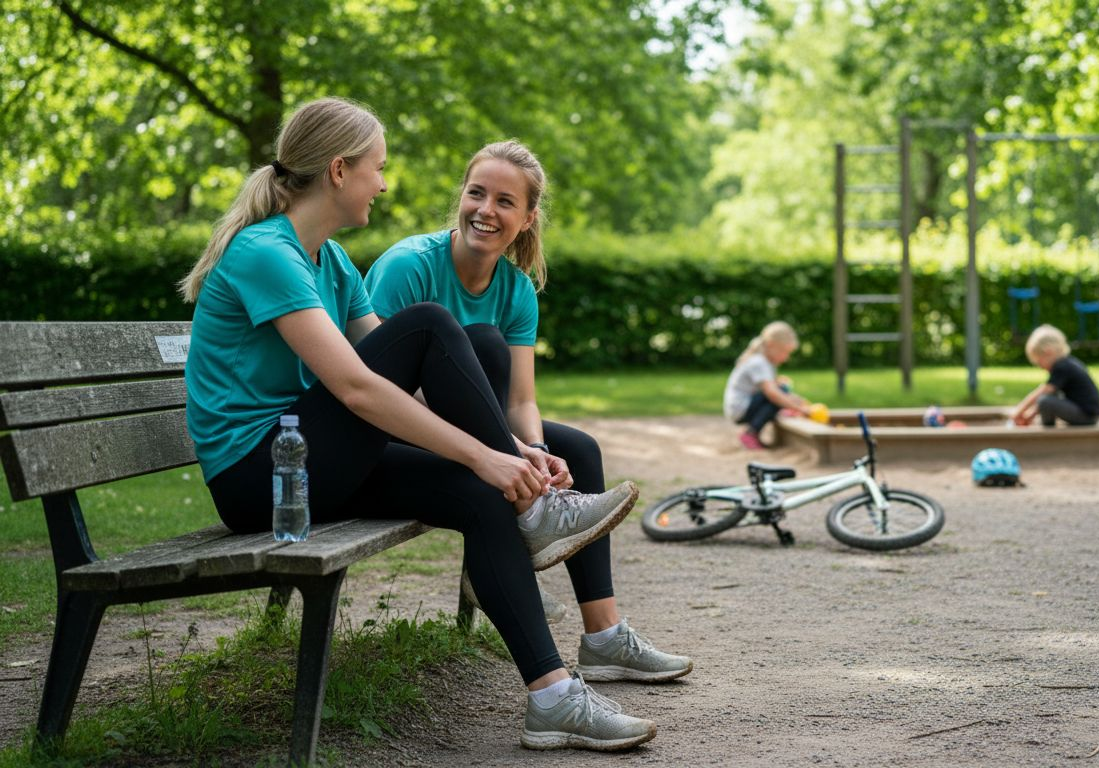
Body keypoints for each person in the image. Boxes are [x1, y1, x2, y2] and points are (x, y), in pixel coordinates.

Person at [180, 100, 656, 751]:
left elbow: (411, 385)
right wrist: (485, 452)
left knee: (481, 492)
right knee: (432, 323)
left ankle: (552, 699)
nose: (383, 183)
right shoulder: (266, 252)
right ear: (340, 170)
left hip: (309, 457)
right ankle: (540, 512)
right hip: (257, 475)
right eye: (377, 168)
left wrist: (511, 453)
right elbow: (357, 387)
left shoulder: (331, 261)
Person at [363, 140, 692, 687]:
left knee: (577, 449)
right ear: (461, 197)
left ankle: (604, 637)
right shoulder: (409, 267)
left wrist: (535, 451)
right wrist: (504, 450)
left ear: (528, 217)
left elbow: (519, 401)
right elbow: (379, 386)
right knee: (483, 343)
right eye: (476, 194)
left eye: (504, 201)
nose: (485, 210)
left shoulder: (516, 290)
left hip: (478, 433)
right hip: (401, 430)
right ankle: (520, 535)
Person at [723, 321, 812, 450]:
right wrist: (799, 409)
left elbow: (776, 388)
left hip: (742, 407)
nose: (787, 358)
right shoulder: (759, 362)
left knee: (782, 389)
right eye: (785, 352)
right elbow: (772, 393)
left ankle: (756, 430)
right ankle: (750, 433)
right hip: (740, 409)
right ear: (771, 345)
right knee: (777, 395)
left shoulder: (765, 362)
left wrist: (798, 400)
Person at [1010, 324, 1099, 427]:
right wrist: (1030, 416)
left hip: (1085, 415)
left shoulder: (1062, 366)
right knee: (1049, 397)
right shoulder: (1068, 362)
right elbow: (1051, 393)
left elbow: (1043, 391)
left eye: (1039, 362)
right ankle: (1047, 425)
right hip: (1089, 414)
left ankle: (1048, 429)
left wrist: (1018, 411)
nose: (1041, 367)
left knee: (1045, 401)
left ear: (1048, 352)